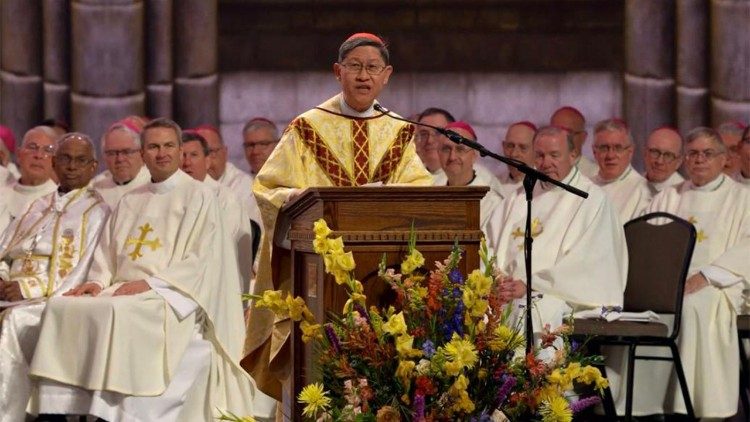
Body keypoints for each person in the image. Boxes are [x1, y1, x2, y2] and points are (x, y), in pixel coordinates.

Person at [243, 32, 433, 401]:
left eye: (373, 68)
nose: (364, 76)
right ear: (338, 71)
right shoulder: (306, 128)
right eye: (355, 66)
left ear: (387, 74)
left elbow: (419, 192)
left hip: (380, 278)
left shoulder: (398, 131)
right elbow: (267, 189)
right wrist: (297, 198)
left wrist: (385, 196)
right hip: (317, 276)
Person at [28, 118, 257, 421]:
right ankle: (58, 412)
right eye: (153, 146)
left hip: (170, 296)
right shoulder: (130, 199)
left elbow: (202, 262)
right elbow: (106, 254)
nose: (161, 153)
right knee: (60, 307)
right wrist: (96, 282)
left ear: (179, 151)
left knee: (117, 312)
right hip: (121, 290)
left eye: (168, 146)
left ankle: (113, 413)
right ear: (143, 153)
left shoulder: (200, 196)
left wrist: (152, 283)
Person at [611, 127, 750, 418]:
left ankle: (694, 404)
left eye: (707, 153)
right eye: (693, 154)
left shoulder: (742, 198)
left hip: (717, 282)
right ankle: (645, 403)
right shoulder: (669, 196)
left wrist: (708, 276)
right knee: (642, 308)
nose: (699, 160)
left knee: (694, 306)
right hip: (666, 283)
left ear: (723, 159)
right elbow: (643, 243)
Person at [0, 133, 109, 421]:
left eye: (80, 160)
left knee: (13, 322)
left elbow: (83, 270)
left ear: (93, 166)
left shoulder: (97, 212)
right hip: (10, 292)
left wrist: (26, 288)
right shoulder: (37, 204)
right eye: (65, 158)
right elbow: (5, 250)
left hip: (49, 301)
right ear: (54, 162)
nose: (72, 166)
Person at [487, 125, 626, 338]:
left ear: (573, 155)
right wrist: (498, 279)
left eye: (554, 155)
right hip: (510, 292)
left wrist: (530, 285)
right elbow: (487, 243)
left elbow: (590, 264)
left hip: (564, 296)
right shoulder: (518, 198)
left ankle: (535, 371)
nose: (546, 163)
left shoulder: (592, 200)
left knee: (531, 310)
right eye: (540, 155)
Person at [182, 131, 255, 295]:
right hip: (180, 275)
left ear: (207, 161)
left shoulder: (225, 199)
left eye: (194, 155)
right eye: (182, 155)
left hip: (214, 280)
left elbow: (219, 249)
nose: (187, 162)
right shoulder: (175, 196)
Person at [438, 121, 504, 237]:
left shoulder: (492, 202)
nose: (452, 157)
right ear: (438, 154)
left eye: (460, 149)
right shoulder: (431, 195)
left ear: (474, 155)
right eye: (446, 149)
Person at [196, 124, 262, 227]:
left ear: (225, 153)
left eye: (211, 152)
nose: (206, 161)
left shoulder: (243, 186)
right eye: (196, 154)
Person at [591, 118, 652, 222]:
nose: (610, 155)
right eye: (604, 148)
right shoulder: (585, 186)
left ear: (630, 151)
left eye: (618, 148)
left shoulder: (643, 191)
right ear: (594, 152)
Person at [0, 126, 58, 231]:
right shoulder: (3, 190)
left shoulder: (59, 203)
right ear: (18, 154)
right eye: (32, 147)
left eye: (47, 150)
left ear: (55, 161)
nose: (39, 155)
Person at [91, 119, 151, 207]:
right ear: (104, 157)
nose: (120, 159)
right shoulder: (95, 189)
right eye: (112, 153)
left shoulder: (154, 184)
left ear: (141, 153)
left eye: (126, 152)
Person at [550, 106, 598, 178]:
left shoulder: (595, 174)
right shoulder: (539, 172)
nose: (561, 139)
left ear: (583, 137)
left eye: (568, 133)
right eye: (556, 132)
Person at [497, 121, 537, 199]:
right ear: (503, 147)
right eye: (510, 146)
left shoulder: (543, 185)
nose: (514, 154)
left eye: (523, 148)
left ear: (536, 150)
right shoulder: (494, 184)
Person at [416, 107, 455, 184]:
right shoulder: (410, 176)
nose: (429, 140)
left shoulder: (468, 176)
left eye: (438, 132)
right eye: (424, 134)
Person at [643, 126, 685, 195]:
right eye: (655, 152)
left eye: (668, 155)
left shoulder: (682, 195)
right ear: (645, 153)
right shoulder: (632, 184)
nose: (660, 161)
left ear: (679, 162)